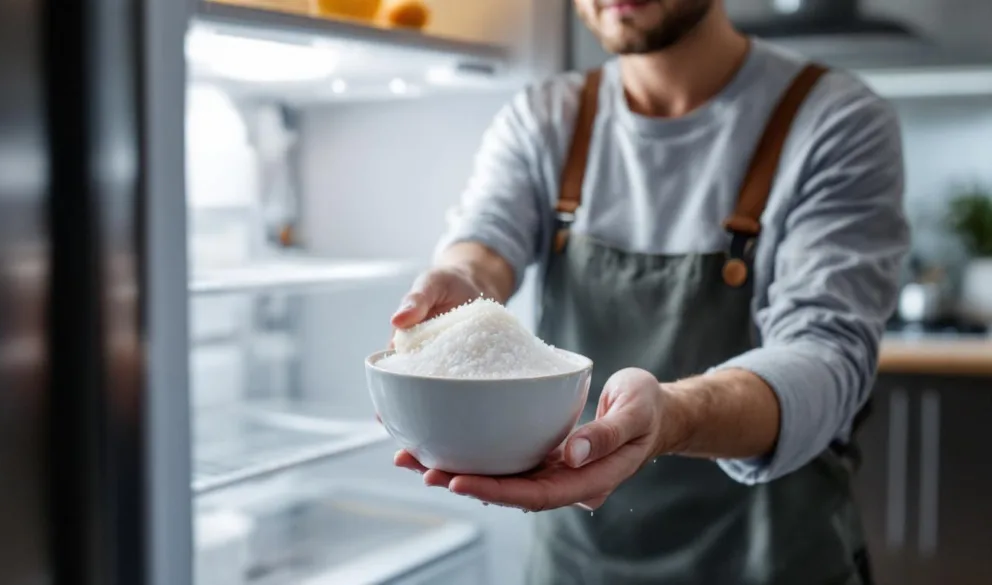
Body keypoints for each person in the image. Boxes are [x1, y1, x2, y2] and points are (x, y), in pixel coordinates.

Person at [387, 0, 910, 583]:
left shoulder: (834, 120)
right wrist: (458, 284)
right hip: (580, 560)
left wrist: (673, 416)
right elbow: (483, 247)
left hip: (771, 557)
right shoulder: (545, 118)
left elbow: (827, 356)